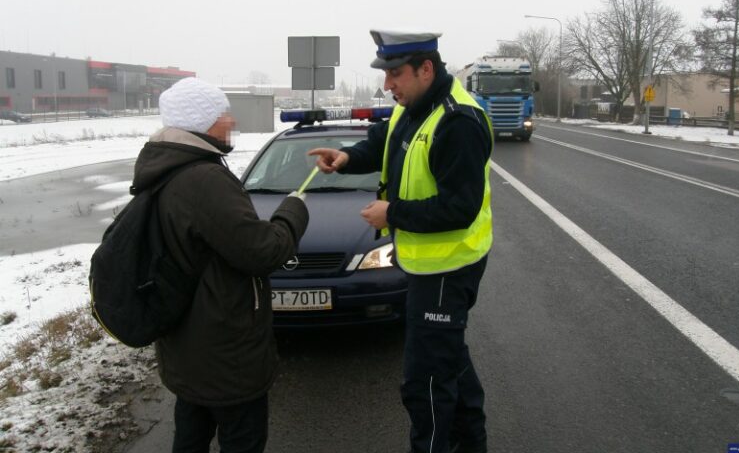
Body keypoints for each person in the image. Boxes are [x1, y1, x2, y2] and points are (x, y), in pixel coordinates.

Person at [308, 30, 493, 453]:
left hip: (448, 268)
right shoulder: (412, 107)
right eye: (386, 74)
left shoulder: (457, 121)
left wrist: (391, 214)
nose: (387, 84)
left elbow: (459, 208)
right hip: (425, 265)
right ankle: (472, 443)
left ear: (426, 69)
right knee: (450, 361)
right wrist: (348, 158)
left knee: (425, 383)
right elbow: (384, 145)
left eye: (395, 74)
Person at [132, 77, 309, 453]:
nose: (231, 122)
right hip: (226, 357)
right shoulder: (205, 180)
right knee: (241, 441)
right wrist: (293, 212)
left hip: (188, 350)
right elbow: (262, 252)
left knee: (191, 437)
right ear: (203, 121)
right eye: (223, 114)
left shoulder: (166, 168)